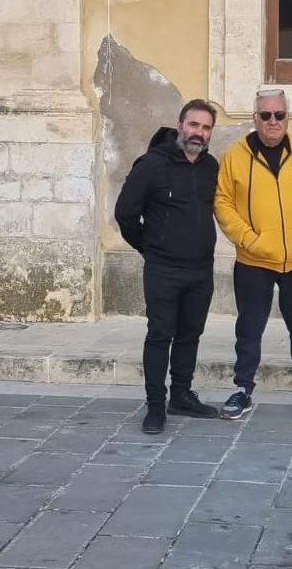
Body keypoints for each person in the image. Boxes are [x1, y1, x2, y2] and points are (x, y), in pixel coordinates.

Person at [213, 87, 292, 421]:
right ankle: (242, 389)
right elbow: (222, 201)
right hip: (253, 261)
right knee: (249, 326)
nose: (272, 121)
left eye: (279, 115)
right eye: (265, 115)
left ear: (287, 118)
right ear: (255, 119)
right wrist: (248, 239)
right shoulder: (235, 156)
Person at [114, 99, 222, 434]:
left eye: (205, 128)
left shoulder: (211, 167)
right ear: (180, 125)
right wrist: (147, 246)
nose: (198, 133)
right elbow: (125, 212)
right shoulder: (152, 164)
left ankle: (181, 395)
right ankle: (156, 406)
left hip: (200, 268)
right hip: (163, 268)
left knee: (191, 334)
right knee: (160, 335)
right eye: (193, 125)